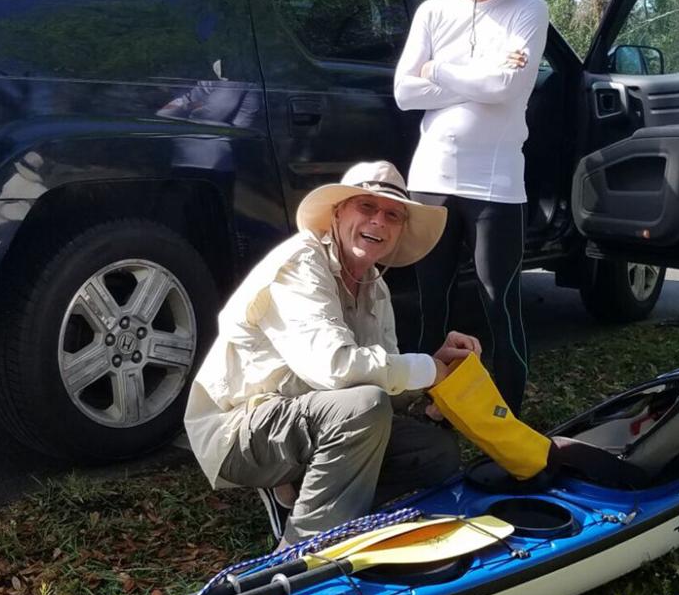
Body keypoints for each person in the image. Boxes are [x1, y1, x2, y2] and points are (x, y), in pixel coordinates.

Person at [184, 160, 481, 545]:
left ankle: (322, 504)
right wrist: (427, 369)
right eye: (367, 207)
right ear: (338, 213)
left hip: (310, 416)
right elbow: (335, 370)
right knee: (363, 408)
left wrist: (436, 370)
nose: (379, 222)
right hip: (237, 428)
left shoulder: (376, 287)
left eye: (392, 215)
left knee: (435, 451)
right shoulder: (300, 263)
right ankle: (303, 552)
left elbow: (383, 385)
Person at [394, 0, 549, 414]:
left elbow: (509, 88)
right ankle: (425, 407)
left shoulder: (529, 10)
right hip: (432, 176)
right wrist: (477, 80)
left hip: (496, 183)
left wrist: (437, 70)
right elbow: (403, 92)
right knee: (429, 301)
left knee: (497, 302)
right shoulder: (433, 12)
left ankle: (509, 414)